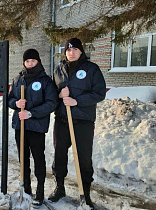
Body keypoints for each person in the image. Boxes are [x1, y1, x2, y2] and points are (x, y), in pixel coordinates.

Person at [48, 38, 106, 209]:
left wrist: (77, 101)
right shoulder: (59, 70)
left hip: (83, 122)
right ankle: (59, 187)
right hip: (62, 120)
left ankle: (85, 192)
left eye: (74, 50)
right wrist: (59, 95)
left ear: (81, 51)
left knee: (84, 158)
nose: (71, 53)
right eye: (68, 50)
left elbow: (100, 93)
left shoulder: (91, 69)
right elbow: (51, 93)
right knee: (59, 154)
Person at [8, 49, 58, 206]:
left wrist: (31, 113)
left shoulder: (45, 81)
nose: (30, 64)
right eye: (27, 61)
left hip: (36, 127)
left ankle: (40, 191)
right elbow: (9, 100)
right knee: (23, 160)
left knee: (38, 159)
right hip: (20, 126)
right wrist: (16, 103)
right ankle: (27, 188)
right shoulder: (18, 80)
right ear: (24, 62)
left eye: (33, 61)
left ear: (38, 62)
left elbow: (52, 103)